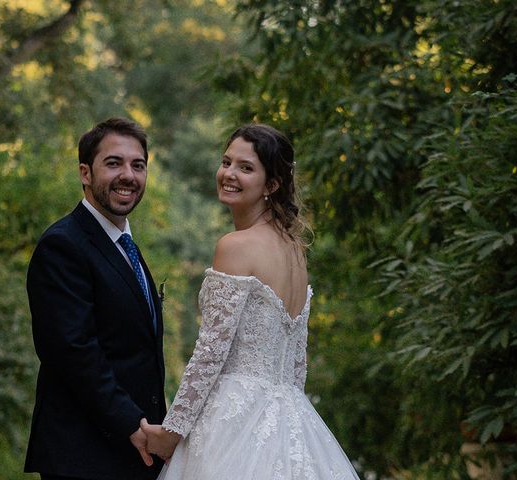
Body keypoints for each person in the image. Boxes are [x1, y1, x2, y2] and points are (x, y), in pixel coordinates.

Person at [141, 124, 360, 479]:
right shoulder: (295, 251)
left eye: (245, 168)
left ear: (271, 185)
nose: (229, 174)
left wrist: (172, 432)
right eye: (226, 162)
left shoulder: (235, 246)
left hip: (234, 422)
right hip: (291, 420)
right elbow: (296, 365)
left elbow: (211, 352)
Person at [24, 117, 166, 480]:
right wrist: (131, 424)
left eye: (138, 165)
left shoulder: (126, 247)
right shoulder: (63, 245)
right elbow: (73, 351)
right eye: (114, 163)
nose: (129, 176)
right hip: (84, 454)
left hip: (135, 452)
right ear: (85, 173)